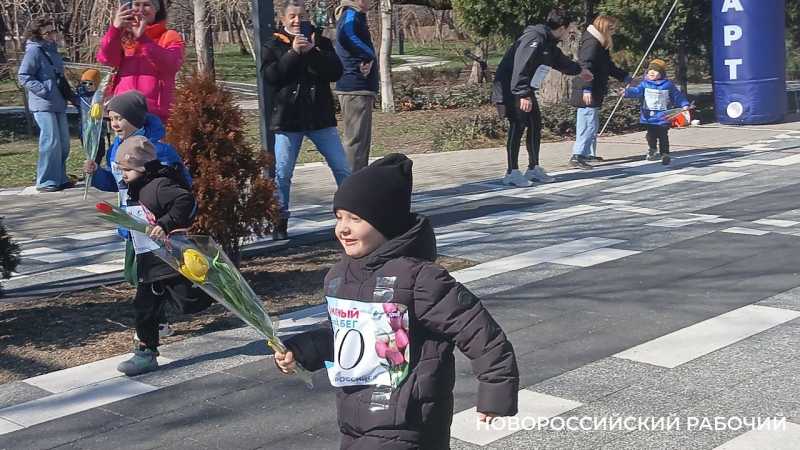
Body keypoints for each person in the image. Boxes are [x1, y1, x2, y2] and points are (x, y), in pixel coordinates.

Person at [274, 154, 519, 449]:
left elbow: (480, 333)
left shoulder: (420, 278)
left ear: (384, 223)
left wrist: (496, 389)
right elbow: (343, 334)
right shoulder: (340, 276)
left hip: (409, 421)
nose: (343, 228)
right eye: (339, 217)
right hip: (355, 416)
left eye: (356, 218)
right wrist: (300, 350)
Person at [84, 90, 193, 339]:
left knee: (151, 280)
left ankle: (153, 326)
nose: (114, 124)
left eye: (119, 118)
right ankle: (158, 320)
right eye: (111, 119)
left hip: (154, 227)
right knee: (136, 275)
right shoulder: (116, 149)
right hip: (132, 224)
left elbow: (179, 186)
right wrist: (96, 174)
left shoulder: (156, 149)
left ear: (135, 118)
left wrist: (166, 219)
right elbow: (117, 183)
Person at [262, 0, 351, 240]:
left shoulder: (320, 41)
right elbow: (271, 77)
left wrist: (312, 51)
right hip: (288, 120)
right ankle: (279, 222)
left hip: (319, 118)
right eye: (291, 16)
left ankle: (354, 213)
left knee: (341, 167)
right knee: (282, 173)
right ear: (283, 19)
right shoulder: (274, 44)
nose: (296, 21)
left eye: (300, 16)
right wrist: (293, 53)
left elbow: (335, 72)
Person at [111, 136, 198, 376]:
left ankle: (219, 294)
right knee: (144, 306)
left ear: (141, 168)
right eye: (120, 169)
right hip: (150, 263)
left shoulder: (159, 185)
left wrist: (166, 223)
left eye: (127, 169)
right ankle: (145, 353)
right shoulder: (136, 187)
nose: (123, 174)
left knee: (189, 301)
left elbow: (185, 199)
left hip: (170, 260)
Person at [493, 9, 593, 188]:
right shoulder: (534, 38)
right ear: (562, 27)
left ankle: (533, 168)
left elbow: (561, 62)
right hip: (511, 89)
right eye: (569, 28)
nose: (570, 32)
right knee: (518, 126)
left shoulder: (548, 43)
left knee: (535, 125)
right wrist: (522, 93)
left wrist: (580, 71)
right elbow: (520, 65)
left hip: (524, 89)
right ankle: (511, 172)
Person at [97, 0, 184, 124]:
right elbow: (106, 58)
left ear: (157, 9)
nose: (141, 10)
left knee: (149, 144)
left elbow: (171, 65)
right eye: (137, 5)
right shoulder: (124, 37)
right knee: (125, 144)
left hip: (154, 113)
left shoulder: (169, 36)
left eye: (147, 5)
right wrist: (115, 29)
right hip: (123, 110)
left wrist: (143, 39)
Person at [17, 18, 73, 192]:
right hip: (42, 103)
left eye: (53, 31)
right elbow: (24, 76)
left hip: (58, 102)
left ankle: (60, 178)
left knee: (64, 142)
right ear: (37, 35)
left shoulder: (53, 50)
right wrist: (44, 89)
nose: (51, 35)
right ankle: (46, 181)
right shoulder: (33, 51)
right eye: (47, 33)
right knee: (51, 142)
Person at [569, 15, 631, 170]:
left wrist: (625, 77)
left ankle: (588, 152)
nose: (614, 32)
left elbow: (608, 65)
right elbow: (585, 65)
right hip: (587, 88)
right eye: (612, 28)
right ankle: (578, 155)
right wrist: (587, 88)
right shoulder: (592, 42)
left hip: (594, 88)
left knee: (592, 122)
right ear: (605, 27)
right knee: (587, 122)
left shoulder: (599, 43)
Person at [334, 0, 378, 172]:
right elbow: (346, 35)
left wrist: (367, 58)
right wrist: (368, 54)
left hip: (361, 88)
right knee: (355, 142)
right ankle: (350, 186)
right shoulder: (350, 15)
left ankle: (358, 185)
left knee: (361, 142)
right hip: (354, 87)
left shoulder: (356, 16)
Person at [623, 59, 690, 165]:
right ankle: (652, 149)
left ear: (662, 73)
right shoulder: (644, 84)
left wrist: (684, 104)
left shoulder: (668, 85)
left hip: (663, 116)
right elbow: (636, 92)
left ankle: (665, 154)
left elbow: (677, 96)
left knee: (663, 135)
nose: (652, 72)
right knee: (651, 135)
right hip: (649, 117)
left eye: (656, 70)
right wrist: (626, 92)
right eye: (650, 70)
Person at [77, 68, 108, 165]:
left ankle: (96, 168)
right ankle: (90, 169)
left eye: (90, 83)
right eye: (84, 83)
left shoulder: (99, 96)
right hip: (85, 129)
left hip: (99, 130)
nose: (87, 86)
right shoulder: (80, 97)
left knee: (99, 151)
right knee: (88, 150)